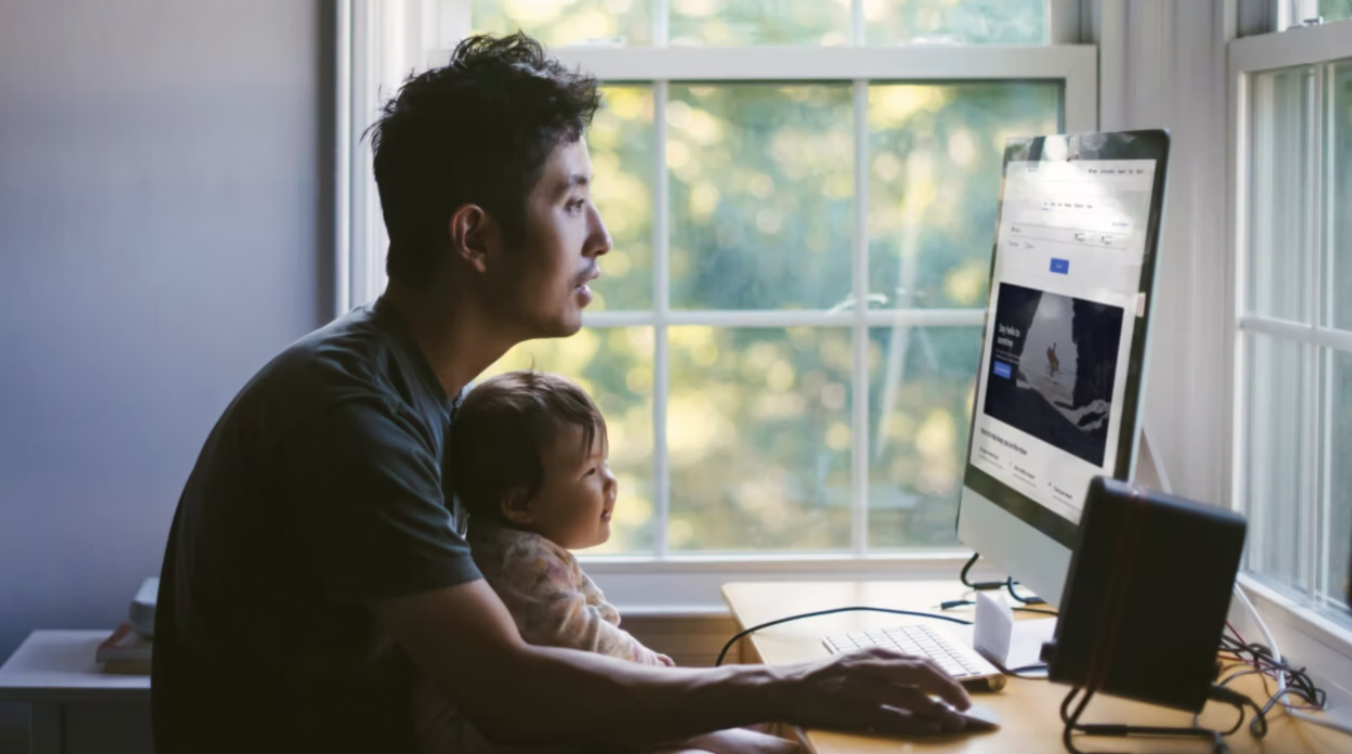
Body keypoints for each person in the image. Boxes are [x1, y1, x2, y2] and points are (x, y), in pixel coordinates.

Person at [151, 32, 972, 754]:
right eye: (572, 201)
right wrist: (792, 687)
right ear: (475, 236)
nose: (601, 236)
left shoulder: (421, 393)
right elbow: (508, 692)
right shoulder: (350, 418)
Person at [415, 370, 797, 754]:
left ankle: (710, 730)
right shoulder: (521, 563)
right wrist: (664, 675)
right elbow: (588, 643)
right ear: (519, 504)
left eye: (607, 464)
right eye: (590, 471)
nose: (611, 483)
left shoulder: (517, 549)